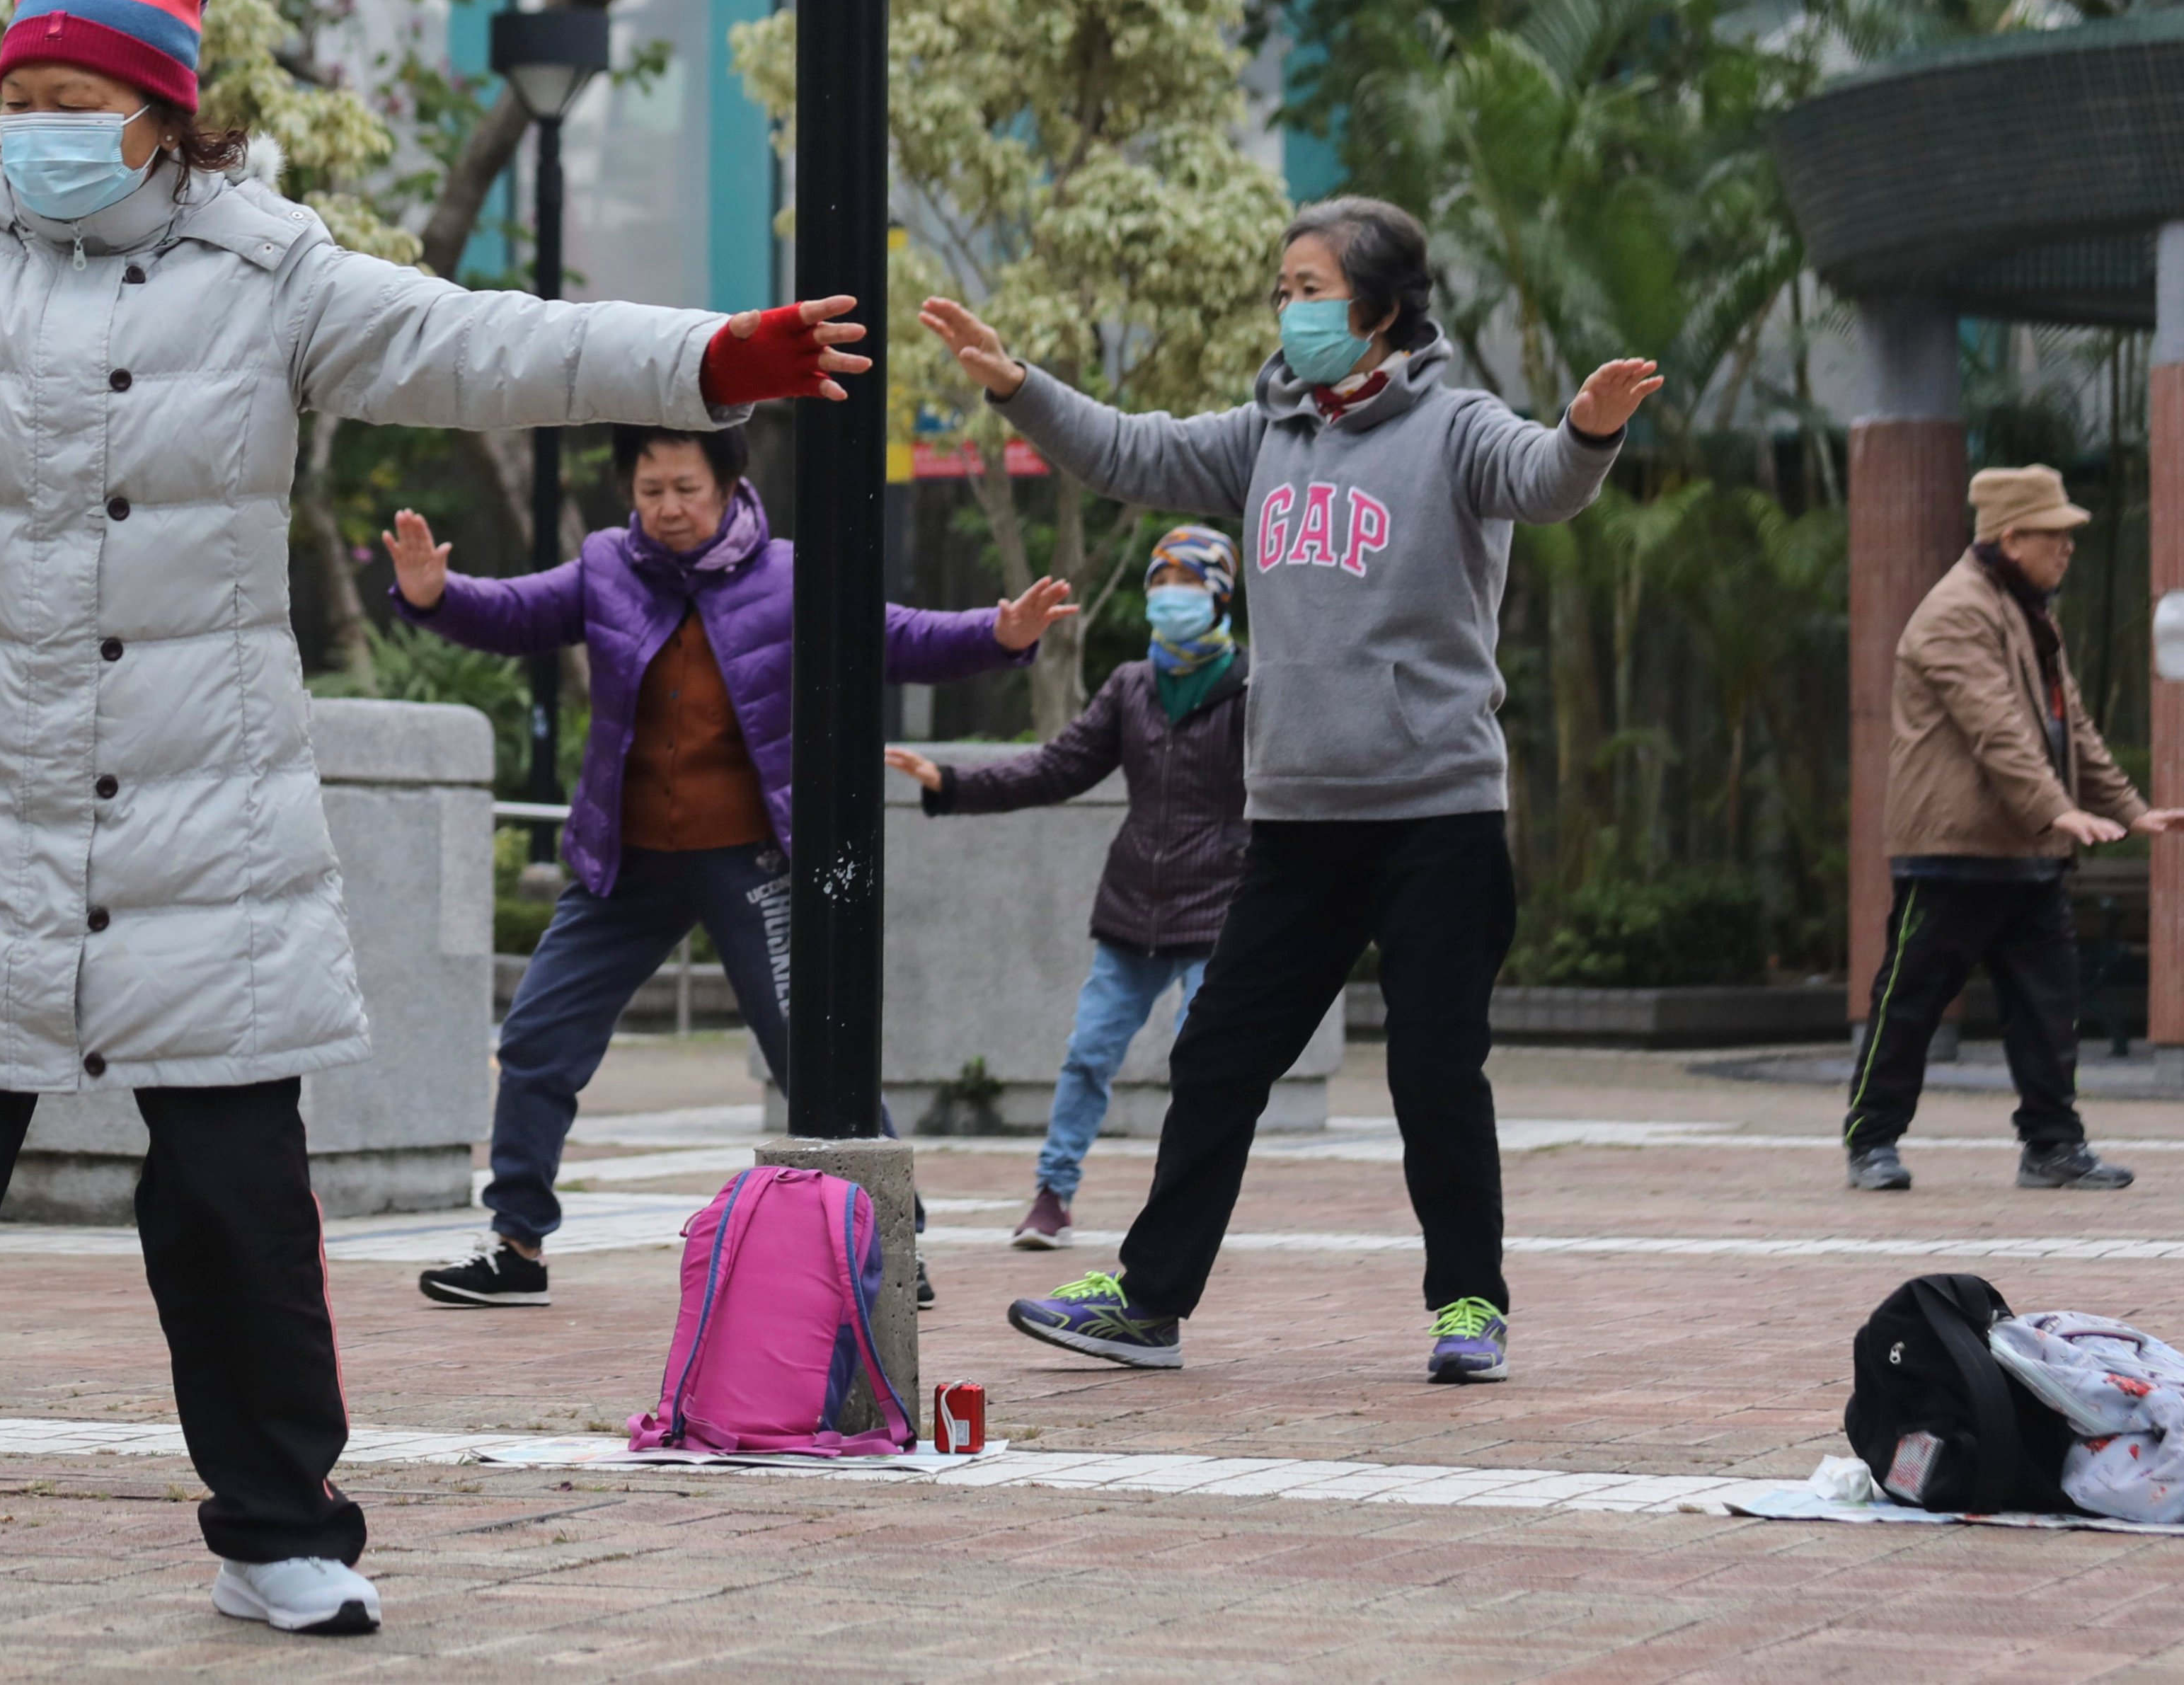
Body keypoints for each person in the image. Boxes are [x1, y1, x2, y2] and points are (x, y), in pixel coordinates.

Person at [0, 0, 878, 1637]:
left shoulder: (273, 275)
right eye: (18, 94)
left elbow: (486, 345)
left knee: (237, 1209)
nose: (37, 125)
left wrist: (708, 360)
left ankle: (283, 1532)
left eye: (75, 99)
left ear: (164, 119)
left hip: (207, 831)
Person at [921, 194, 1664, 1384]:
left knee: (1432, 1066)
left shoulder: (1457, 426)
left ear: (1380, 310)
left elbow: (1545, 481)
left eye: (1310, 290)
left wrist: (1586, 428)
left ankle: (1470, 1300)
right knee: (1218, 1053)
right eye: (1283, 291)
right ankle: (1149, 1299)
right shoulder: (1268, 433)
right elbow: (1128, 450)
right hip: (1299, 822)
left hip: (1437, 813)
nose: (1290, 310)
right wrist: (1019, 386)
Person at [384, 424, 1074, 1312]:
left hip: (751, 860)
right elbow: (516, 614)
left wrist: (1000, 633)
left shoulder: (790, 575)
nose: (667, 508)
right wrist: (434, 594)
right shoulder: (605, 566)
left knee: (815, 1053)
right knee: (534, 1040)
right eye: (650, 490)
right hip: (625, 863)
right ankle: (516, 1243)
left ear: (729, 485)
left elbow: (892, 637)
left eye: (685, 488)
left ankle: (897, 1243)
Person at [887, 525, 1251, 1249]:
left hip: (1221, 909)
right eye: (1161, 583)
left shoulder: (1252, 690)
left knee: (1203, 1066)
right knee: (1088, 1052)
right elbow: (1055, 766)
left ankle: (1185, 1206)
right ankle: (1052, 1194)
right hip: (1133, 910)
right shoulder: (1132, 687)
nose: (1171, 598)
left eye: (1187, 583)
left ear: (1219, 597)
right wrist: (951, 784)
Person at [1848, 464, 2182, 1192]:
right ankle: (1871, 1140)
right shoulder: (1955, 611)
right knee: (1912, 1000)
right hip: (1953, 849)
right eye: (2054, 536)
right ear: (2011, 537)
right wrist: (2055, 807)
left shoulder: (2030, 612)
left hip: (2029, 850)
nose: (2067, 549)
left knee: (2049, 1006)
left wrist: (2129, 807)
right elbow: (1994, 724)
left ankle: (2054, 1147)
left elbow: (2072, 726)